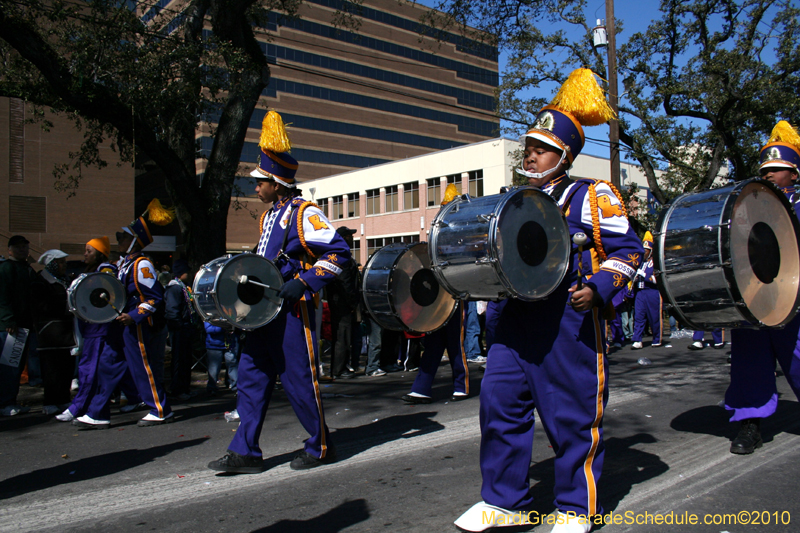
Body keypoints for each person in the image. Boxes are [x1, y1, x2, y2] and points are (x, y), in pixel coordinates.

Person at [455, 69, 644, 533]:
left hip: (569, 317)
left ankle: (577, 507)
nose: (531, 156)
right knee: (499, 404)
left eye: (541, 150)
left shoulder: (592, 195)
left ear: (565, 154)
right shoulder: (514, 200)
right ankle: (505, 501)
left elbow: (629, 251)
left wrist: (599, 288)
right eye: (530, 148)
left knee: (571, 413)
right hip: (514, 317)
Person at [207, 111, 351, 474]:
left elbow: (338, 254)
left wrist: (303, 282)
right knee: (251, 378)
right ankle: (245, 452)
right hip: (264, 315)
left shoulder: (304, 212)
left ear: (276, 182)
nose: (255, 187)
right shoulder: (269, 217)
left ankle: (320, 445)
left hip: (293, 313)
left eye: (260, 182)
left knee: (299, 381)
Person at [724, 120, 800, 455]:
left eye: (778, 169)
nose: (769, 174)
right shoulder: (747, 204)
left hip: (795, 297)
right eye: (766, 169)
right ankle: (750, 425)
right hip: (754, 296)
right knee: (749, 362)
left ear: (795, 174)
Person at [73, 201, 175, 428]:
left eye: (123, 238)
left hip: (133, 324)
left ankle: (160, 409)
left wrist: (135, 316)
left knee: (141, 367)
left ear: (134, 242)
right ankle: (98, 412)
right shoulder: (122, 265)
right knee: (107, 365)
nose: (119, 240)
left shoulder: (141, 264)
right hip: (119, 324)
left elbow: (155, 298)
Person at [57, 237, 117, 422]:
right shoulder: (90, 271)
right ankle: (90, 409)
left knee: (89, 370)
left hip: (99, 328)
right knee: (90, 369)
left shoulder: (105, 271)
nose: (85, 254)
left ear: (99, 254)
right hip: (89, 327)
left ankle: (80, 407)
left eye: (89, 251)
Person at [34, 249, 78, 415]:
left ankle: (63, 398)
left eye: (64, 262)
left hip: (66, 332)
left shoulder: (65, 280)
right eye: (60, 262)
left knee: (66, 367)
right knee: (52, 369)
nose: (64, 265)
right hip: (50, 332)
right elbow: (41, 306)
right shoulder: (40, 282)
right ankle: (50, 400)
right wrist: (65, 307)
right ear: (51, 264)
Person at [0, 235, 37, 416]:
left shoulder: (26, 268)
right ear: (10, 250)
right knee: (9, 366)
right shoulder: (6, 268)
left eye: (25, 247)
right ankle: (5, 403)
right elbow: (3, 297)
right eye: (19, 247)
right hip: (11, 327)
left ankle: (11, 401)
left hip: (23, 326)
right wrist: (9, 320)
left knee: (17, 365)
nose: (23, 250)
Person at [327, 226, 361, 380]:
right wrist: (352, 303)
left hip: (339, 301)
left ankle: (340, 367)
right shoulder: (342, 255)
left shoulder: (339, 253)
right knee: (343, 336)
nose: (352, 238)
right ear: (344, 237)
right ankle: (339, 369)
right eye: (349, 235)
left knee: (343, 336)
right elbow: (345, 282)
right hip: (341, 303)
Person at [629, 232, 669, 349]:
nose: (644, 253)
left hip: (652, 291)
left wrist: (645, 275)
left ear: (651, 251)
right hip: (640, 292)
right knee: (639, 316)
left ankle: (657, 338)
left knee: (654, 316)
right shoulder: (640, 263)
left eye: (646, 250)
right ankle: (637, 339)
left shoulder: (655, 263)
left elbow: (658, 279)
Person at [165, 258, 197, 399]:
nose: (189, 274)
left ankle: (185, 387)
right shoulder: (174, 288)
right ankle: (177, 389)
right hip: (179, 328)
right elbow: (172, 310)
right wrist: (178, 325)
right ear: (180, 273)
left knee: (186, 359)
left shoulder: (184, 287)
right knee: (179, 359)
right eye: (186, 272)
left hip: (186, 327)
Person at [205, 321, 240, 393]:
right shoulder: (210, 313)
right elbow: (208, 329)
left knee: (232, 364)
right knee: (214, 367)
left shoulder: (229, 312)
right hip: (214, 345)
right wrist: (223, 327)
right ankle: (212, 387)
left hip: (229, 344)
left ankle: (236, 386)